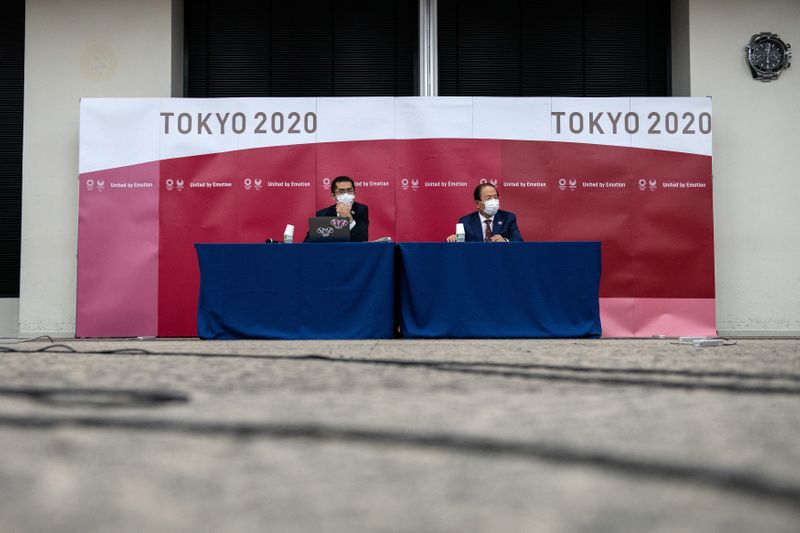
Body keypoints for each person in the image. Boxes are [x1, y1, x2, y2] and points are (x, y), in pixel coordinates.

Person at [446, 183, 523, 242]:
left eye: (495, 197)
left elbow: (519, 240)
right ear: (478, 203)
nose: (493, 201)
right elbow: (461, 244)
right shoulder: (465, 222)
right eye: (488, 198)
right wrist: (454, 239)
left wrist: (505, 241)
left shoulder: (508, 218)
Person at [305, 175, 369, 242]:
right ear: (333, 196)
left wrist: (349, 218)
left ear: (354, 193)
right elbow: (308, 242)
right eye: (341, 191)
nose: (346, 195)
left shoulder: (361, 210)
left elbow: (363, 239)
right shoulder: (323, 214)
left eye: (349, 191)